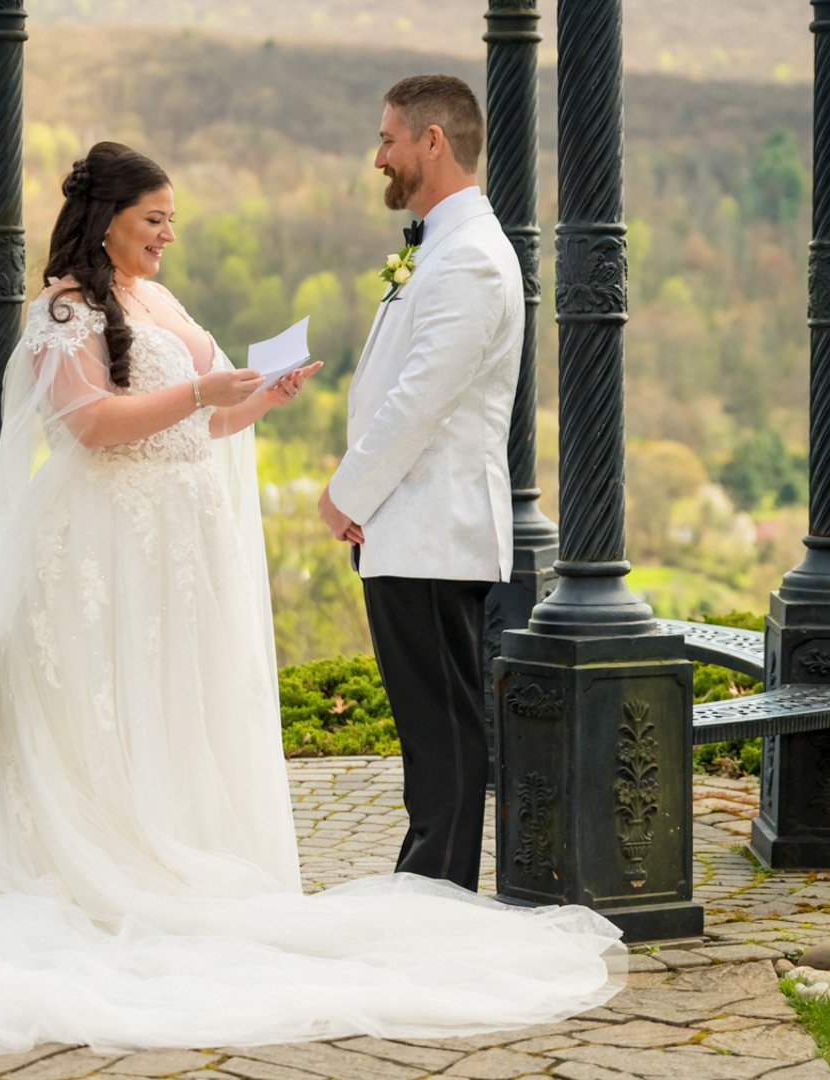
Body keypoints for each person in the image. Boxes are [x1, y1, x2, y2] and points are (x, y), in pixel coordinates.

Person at [0, 139, 625, 1056]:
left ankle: (186, 851)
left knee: (179, 707)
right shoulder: (61, 308)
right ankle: (113, 866)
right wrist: (204, 387)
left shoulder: (155, 299)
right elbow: (89, 425)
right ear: (107, 221)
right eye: (154, 219)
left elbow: (200, 421)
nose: (168, 235)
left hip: (178, 554)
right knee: (111, 711)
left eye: (172, 220)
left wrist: (257, 396)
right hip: (106, 550)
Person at [321, 75, 517, 891]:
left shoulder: (469, 259)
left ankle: (436, 900)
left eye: (389, 139)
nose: (379, 157)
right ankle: (426, 885)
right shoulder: (439, 246)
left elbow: (420, 403)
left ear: (433, 142)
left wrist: (346, 494)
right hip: (409, 531)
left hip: (432, 530)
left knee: (443, 731)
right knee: (429, 731)